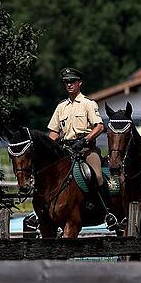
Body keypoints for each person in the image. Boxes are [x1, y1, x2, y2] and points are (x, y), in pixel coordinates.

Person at [47, 67, 118, 229]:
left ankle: (108, 213)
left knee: (97, 176)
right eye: (66, 82)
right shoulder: (61, 107)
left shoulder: (88, 103)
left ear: (80, 83)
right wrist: (49, 147)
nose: (69, 84)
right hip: (66, 150)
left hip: (86, 150)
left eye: (72, 81)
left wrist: (85, 140)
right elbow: (53, 132)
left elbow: (99, 127)